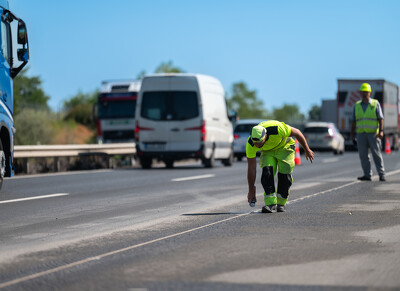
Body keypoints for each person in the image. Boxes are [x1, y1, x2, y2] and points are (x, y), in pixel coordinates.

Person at [246, 120, 314, 213]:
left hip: (284, 147)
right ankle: (270, 204)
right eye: (255, 142)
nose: (257, 145)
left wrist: (307, 149)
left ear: (265, 135)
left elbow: (297, 133)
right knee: (267, 173)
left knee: (284, 176)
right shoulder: (251, 143)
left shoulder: (277, 129)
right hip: (268, 152)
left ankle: (281, 204)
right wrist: (251, 190)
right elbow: (251, 168)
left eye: (259, 142)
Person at [350, 83, 386, 182]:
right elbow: (353, 120)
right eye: (363, 92)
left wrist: (381, 131)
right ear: (360, 93)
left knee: (376, 154)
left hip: (373, 134)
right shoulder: (357, 105)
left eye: (366, 92)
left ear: (370, 93)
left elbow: (380, 118)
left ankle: (381, 174)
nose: (365, 94)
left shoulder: (375, 103)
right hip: (361, 134)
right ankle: (367, 175)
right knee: (363, 155)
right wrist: (352, 133)